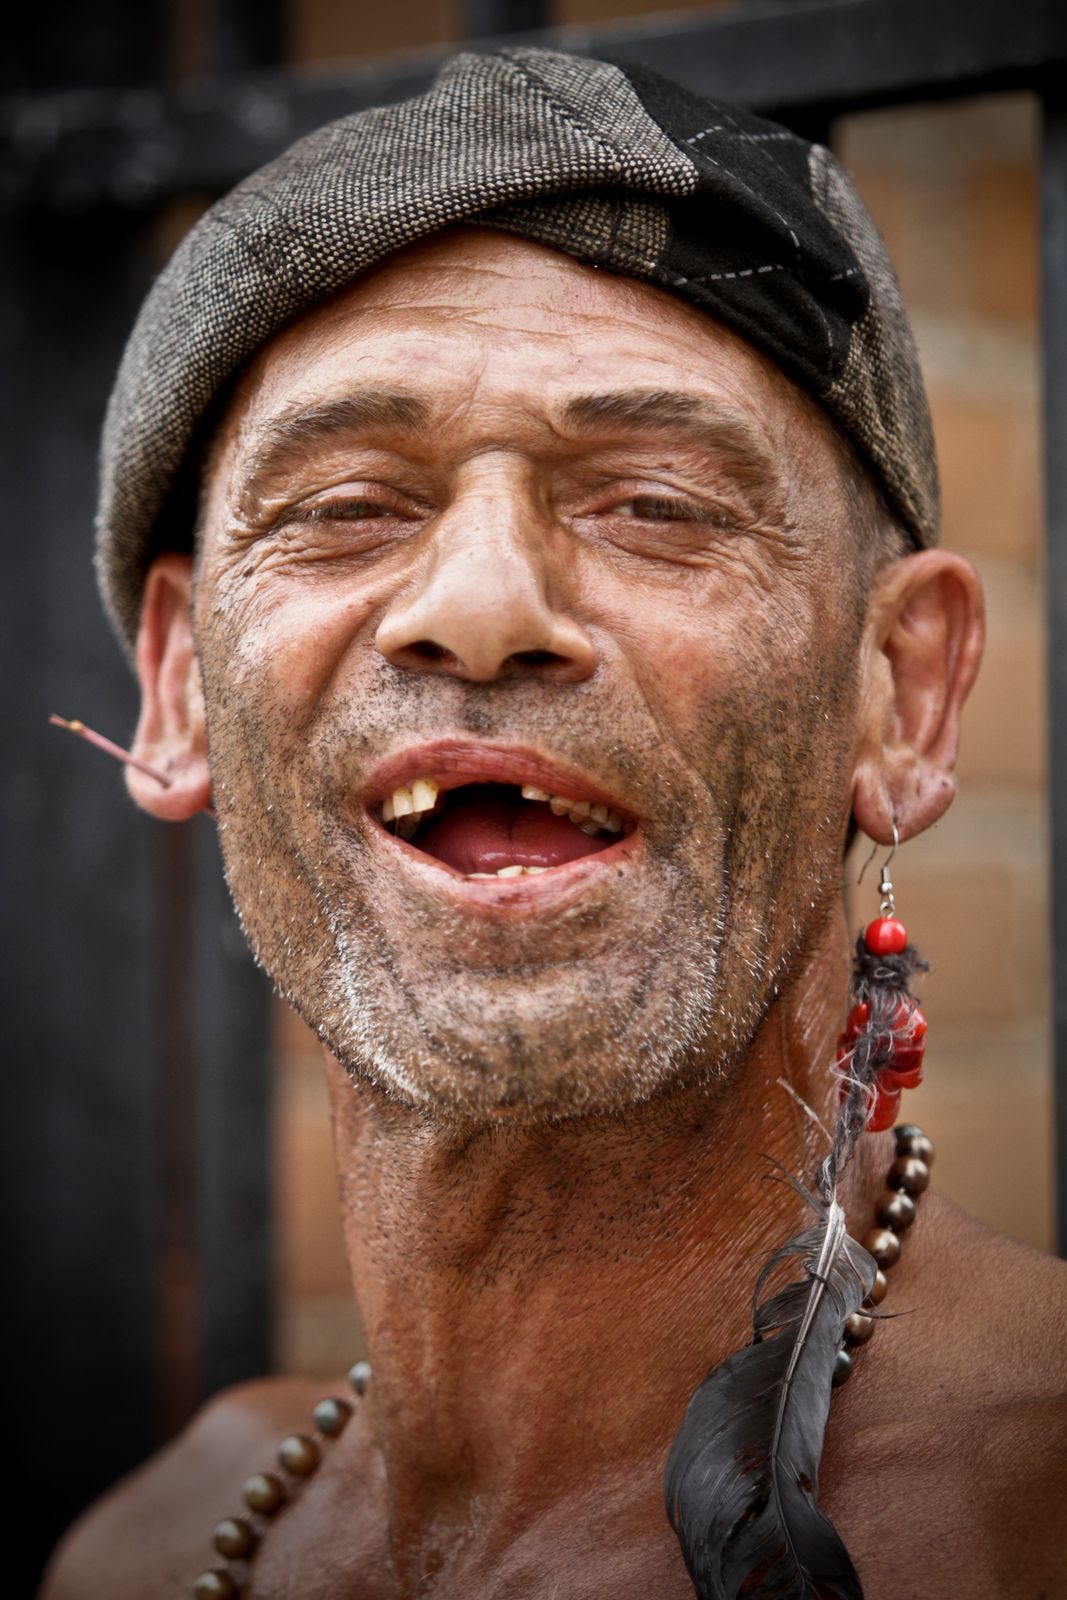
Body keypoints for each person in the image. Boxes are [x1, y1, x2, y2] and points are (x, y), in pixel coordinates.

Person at [42, 45, 1066, 1600]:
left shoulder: (1034, 1499)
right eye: (346, 506)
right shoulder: (150, 1546)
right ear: (180, 687)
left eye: (654, 503)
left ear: (902, 695)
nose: (482, 606)